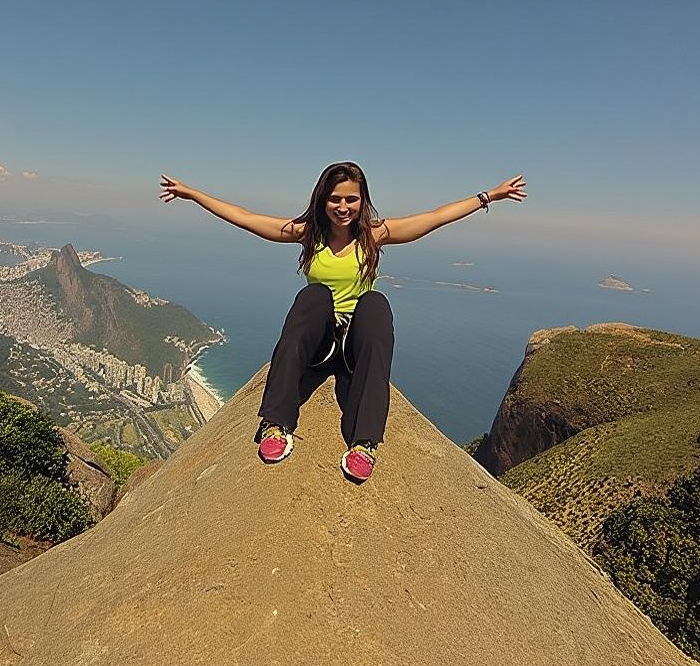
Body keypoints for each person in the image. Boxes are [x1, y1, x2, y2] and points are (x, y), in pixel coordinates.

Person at [159, 162, 526, 482]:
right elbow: (246, 217)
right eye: (336, 199)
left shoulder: (375, 235)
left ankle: (364, 443)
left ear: (362, 201)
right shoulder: (307, 234)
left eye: (351, 199)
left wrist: (488, 196)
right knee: (313, 297)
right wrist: (192, 194)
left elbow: (435, 217)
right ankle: (275, 423)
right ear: (323, 200)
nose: (343, 207)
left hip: (353, 349)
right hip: (320, 347)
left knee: (376, 304)